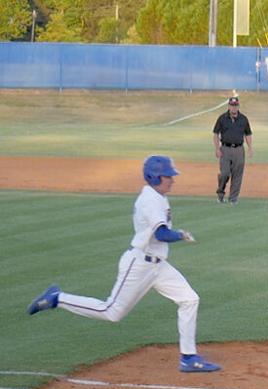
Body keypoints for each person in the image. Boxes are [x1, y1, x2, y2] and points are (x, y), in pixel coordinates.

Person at [26, 156, 221, 373]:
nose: (172, 180)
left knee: (189, 299)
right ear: (155, 177)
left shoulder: (159, 196)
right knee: (112, 312)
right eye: (168, 176)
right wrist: (181, 235)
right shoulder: (150, 200)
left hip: (158, 266)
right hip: (139, 265)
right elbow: (161, 233)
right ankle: (57, 298)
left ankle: (188, 357)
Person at [213, 96, 253, 205]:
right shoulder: (222, 118)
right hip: (225, 149)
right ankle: (220, 194)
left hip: (239, 149)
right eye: (232, 105)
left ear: (238, 106)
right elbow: (216, 134)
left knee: (237, 174)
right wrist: (217, 148)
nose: (234, 108)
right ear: (229, 106)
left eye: (235, 106)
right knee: (224, 173)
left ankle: (233, 198)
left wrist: (250, 147)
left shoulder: (243, 119)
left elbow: (248, 134)